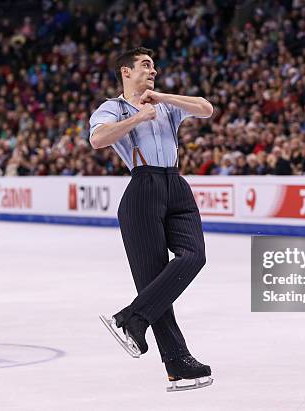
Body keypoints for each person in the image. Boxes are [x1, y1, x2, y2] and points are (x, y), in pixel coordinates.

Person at [88, 47, 214, 392]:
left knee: (194, 256)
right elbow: (98, 139)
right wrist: (137, 118)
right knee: (154, 283)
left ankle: (130, 318)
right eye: (145, 65)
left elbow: (206, 108)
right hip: (142, 187)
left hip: (175, 184)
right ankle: (177, 363)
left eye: (155, 66)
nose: (152, 70)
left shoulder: (165, 104)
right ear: (125, 72)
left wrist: (159, 98)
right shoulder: (112, 108)